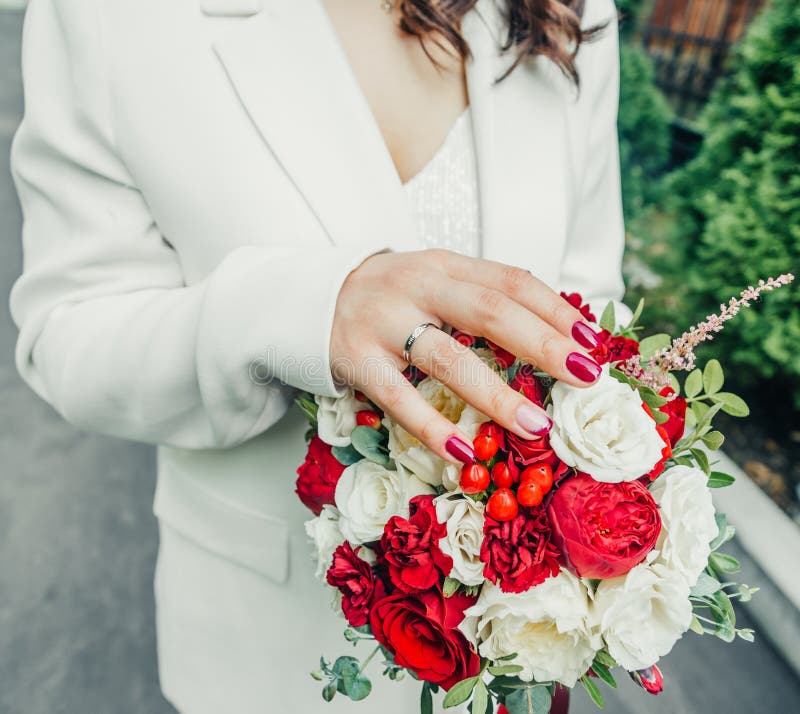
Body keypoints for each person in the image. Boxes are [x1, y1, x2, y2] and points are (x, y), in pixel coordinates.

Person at [9, 0, 629, 711]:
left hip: (516, 655)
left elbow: (588, 297)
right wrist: (307, 310)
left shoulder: (569, 10)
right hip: (271, 653)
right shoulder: (108, 16)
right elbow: (71, 333)